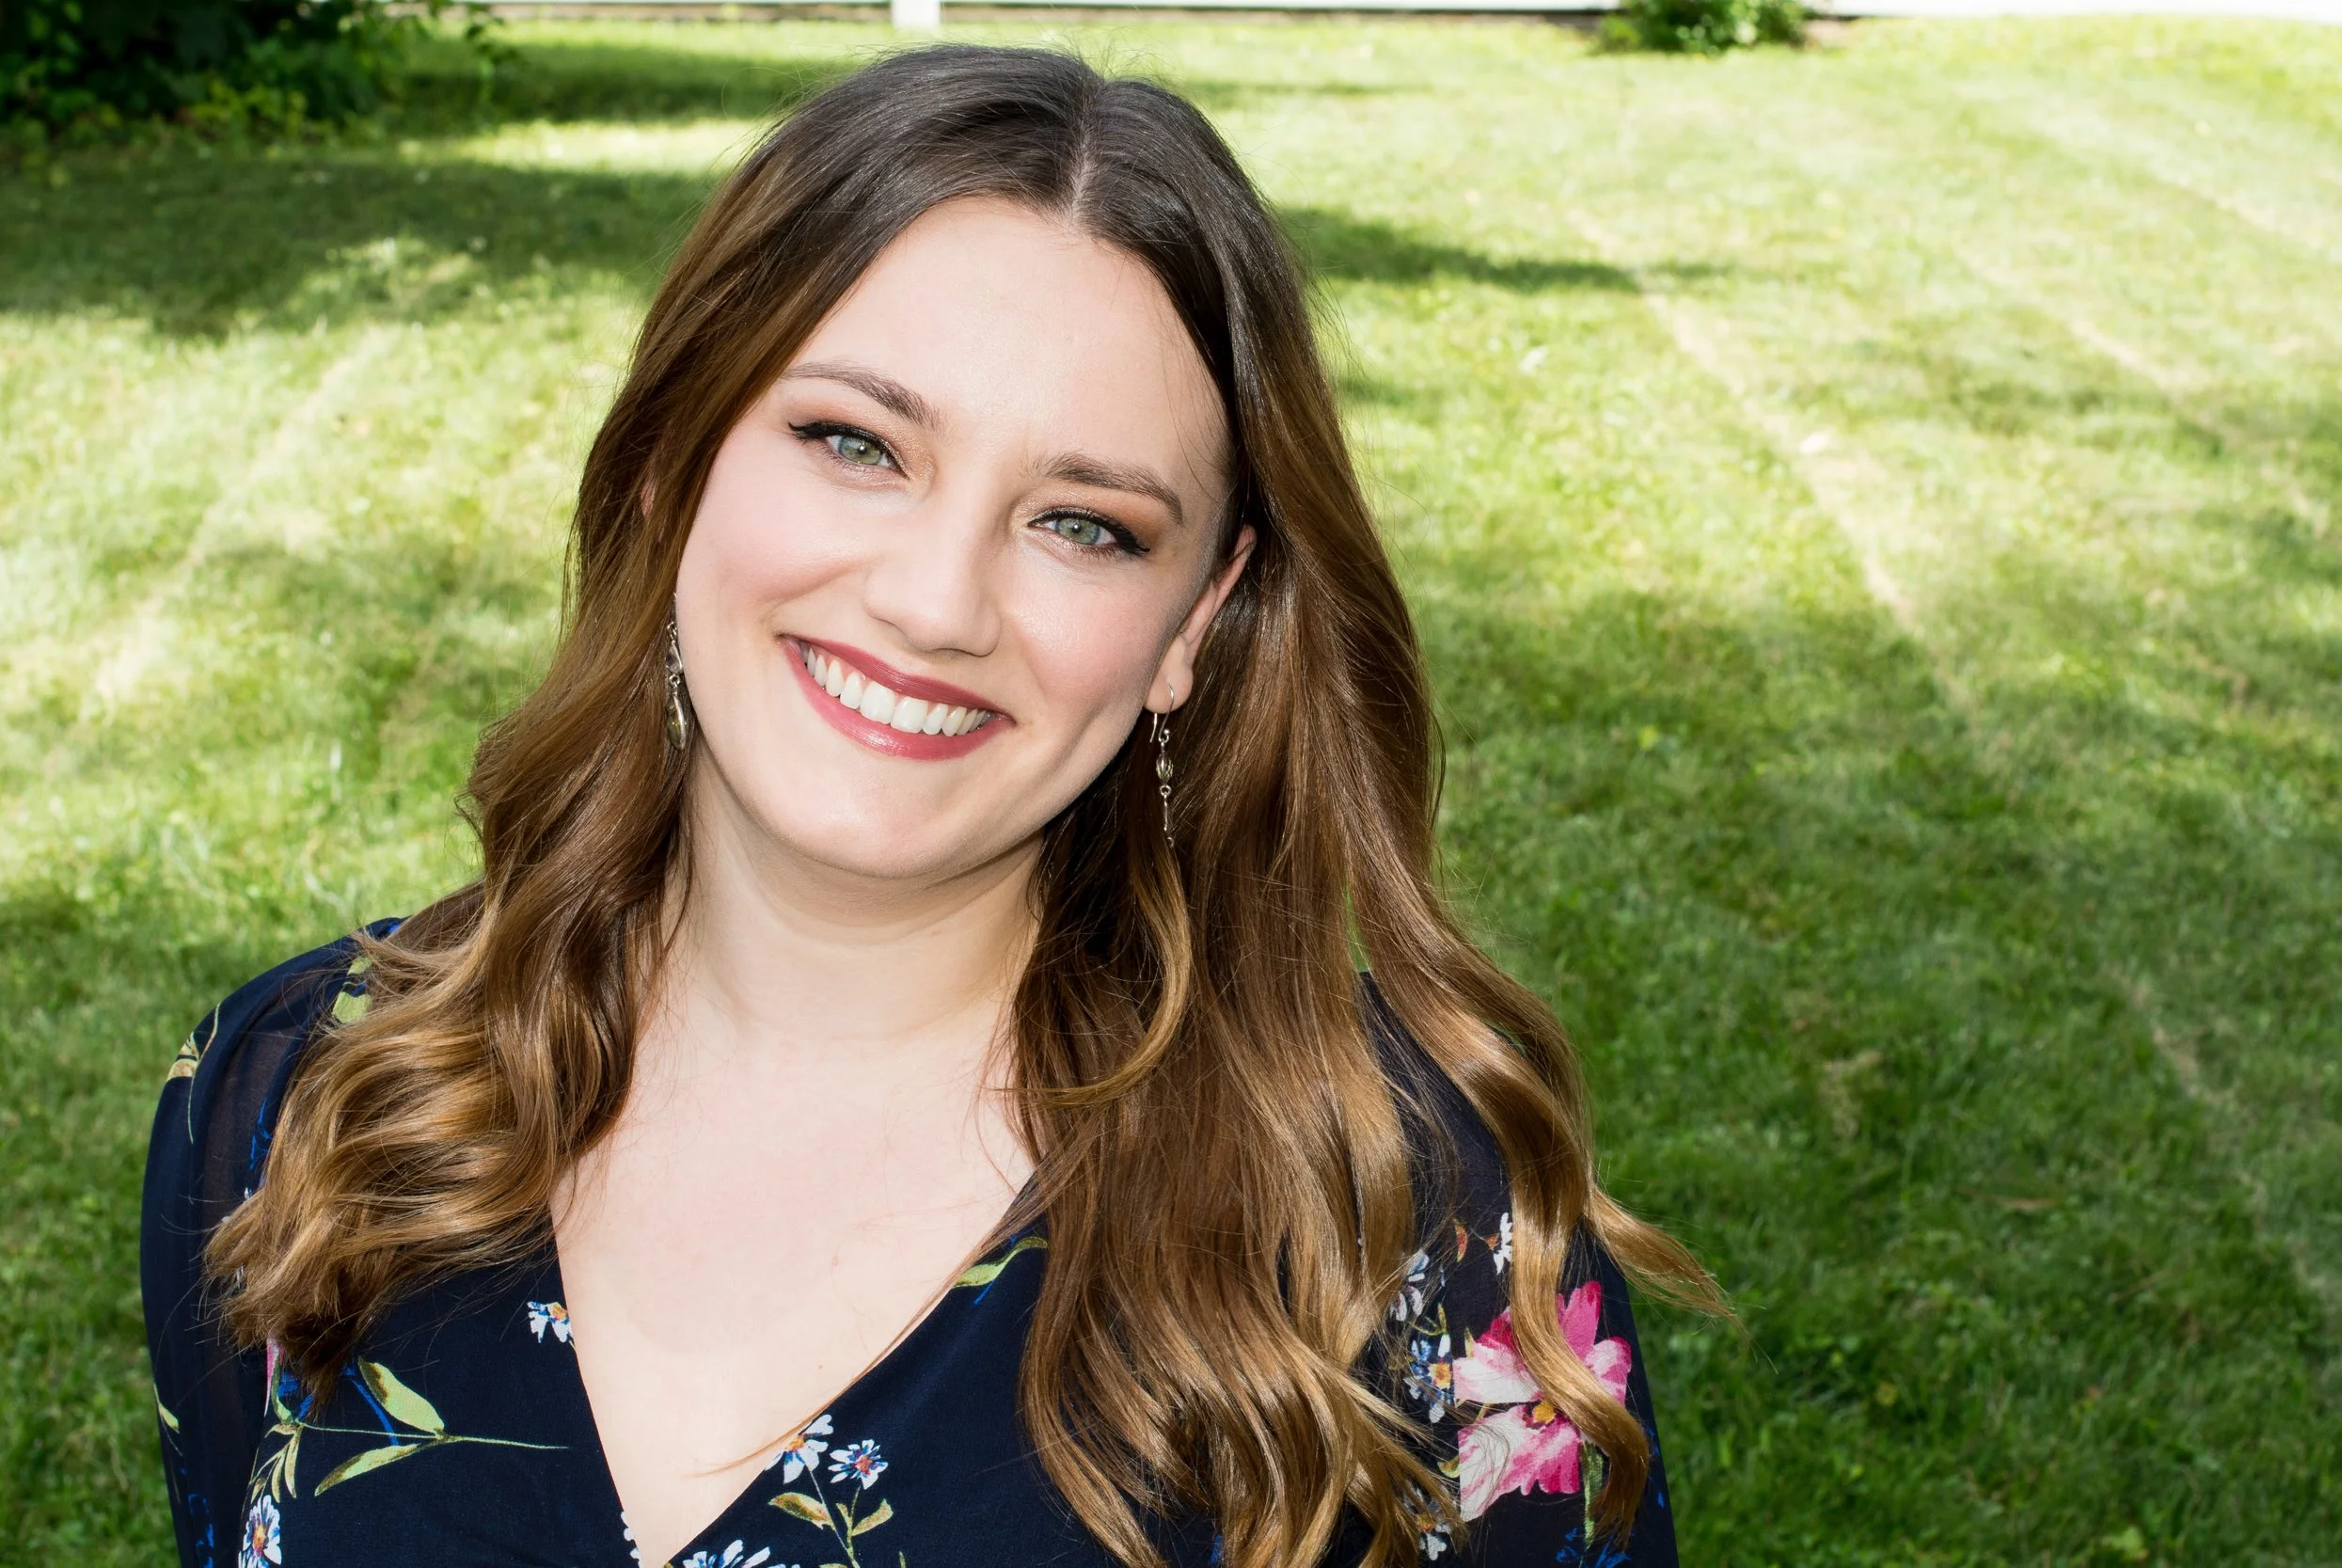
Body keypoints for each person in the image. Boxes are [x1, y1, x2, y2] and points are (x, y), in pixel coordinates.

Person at [141, 44, 1720, 1568]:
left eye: (1084, 524)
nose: (935, 601)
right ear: (673, 459)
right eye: (856, 443)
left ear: (1193, 617)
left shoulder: (1402, 1220)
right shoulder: (299, 1097)